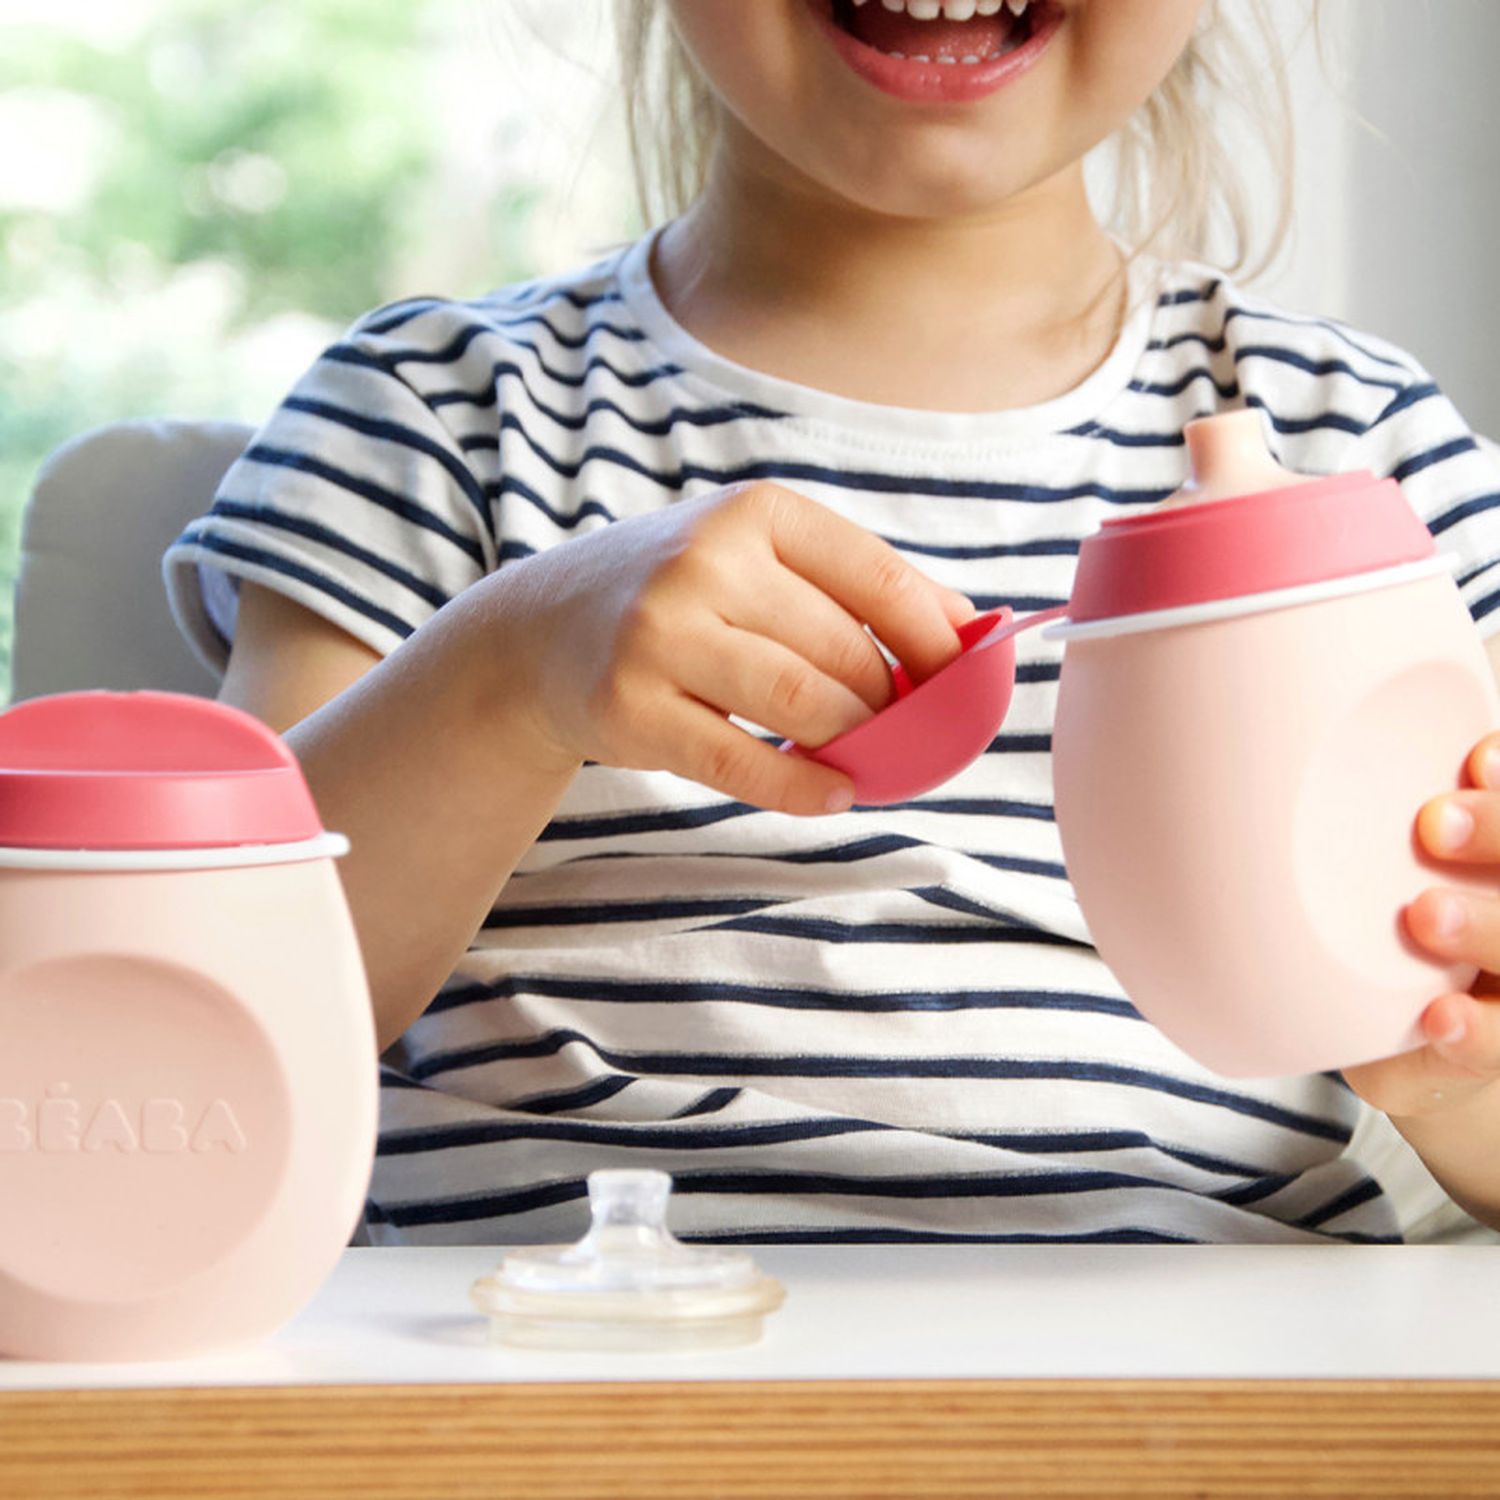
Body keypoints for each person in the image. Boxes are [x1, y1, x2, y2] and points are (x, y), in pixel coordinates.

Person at [163, 0, 1500, 1247]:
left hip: (1193, 1383)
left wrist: (1457, 1068)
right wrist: (510, 676)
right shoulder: (436, 416)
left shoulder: (1368, 454)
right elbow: (201, 1047)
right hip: (556, 1359)